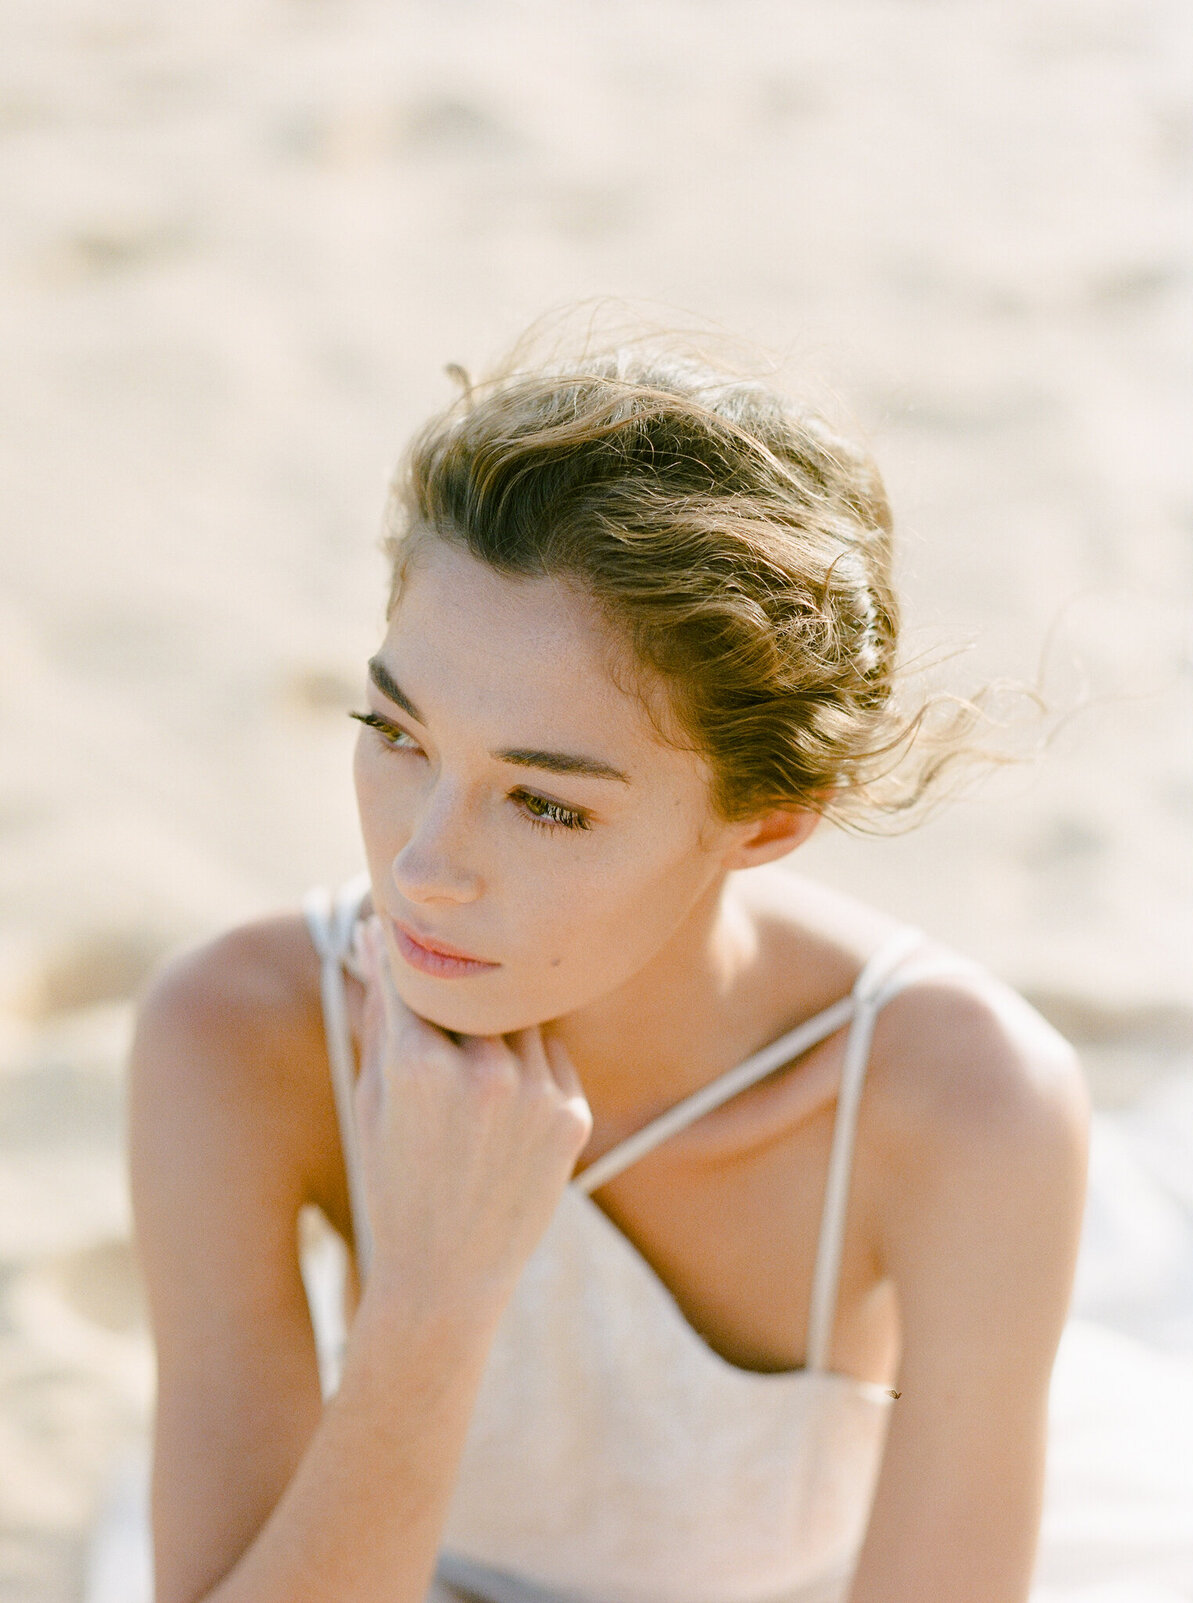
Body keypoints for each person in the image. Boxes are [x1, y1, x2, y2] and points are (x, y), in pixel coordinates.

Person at [129, 344, 1090, 1603]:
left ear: (767, 820)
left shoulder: (966, 1107)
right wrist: (433, 1296)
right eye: (397, 735)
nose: (424, 868)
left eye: (545, 805)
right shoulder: (239, 1035)